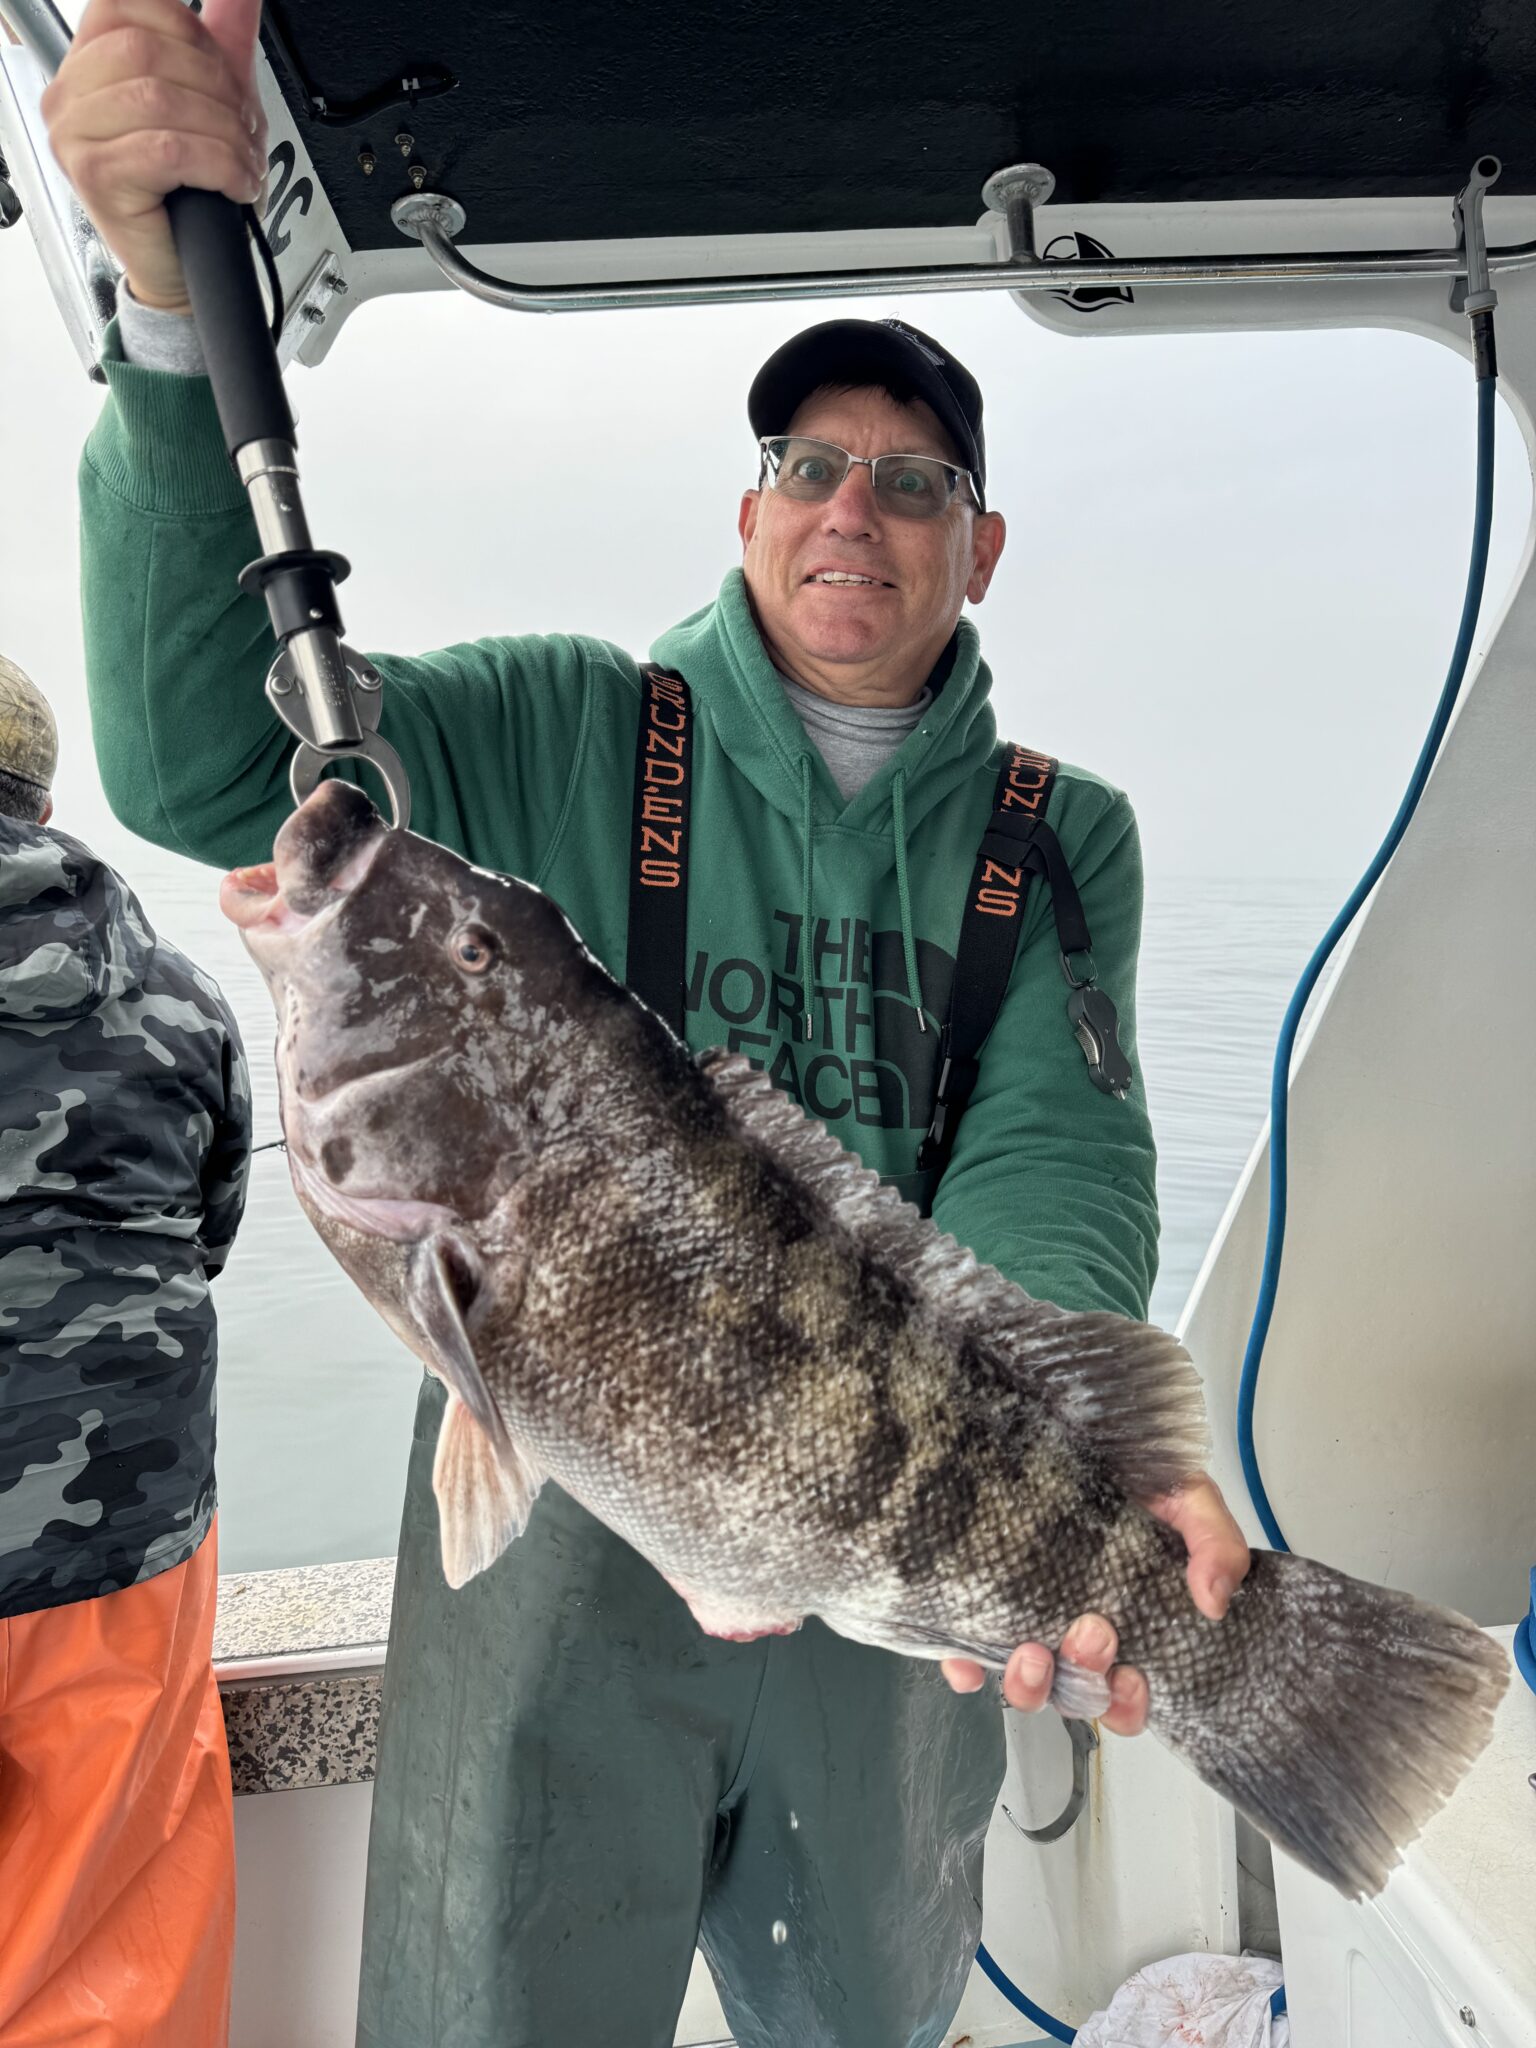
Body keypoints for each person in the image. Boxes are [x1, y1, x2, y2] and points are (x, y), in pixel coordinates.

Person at [46, 4, 1251, 2042]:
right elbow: (191, 759)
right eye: (808, 466)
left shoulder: (1065, 840)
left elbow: (1055, 1170)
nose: (850, 511)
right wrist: (173, 319)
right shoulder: (561, 726)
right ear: (753, 508)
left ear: (984, 538)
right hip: (555, 1555)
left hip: (893, 1608)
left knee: (864, 2013)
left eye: (910, 476)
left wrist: (1079, 1479)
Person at [0, 654, 251, 2045]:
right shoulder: (178, 1000)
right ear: (40, 801)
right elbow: (206, 1236)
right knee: (110, 1968)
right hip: (115, 1536)